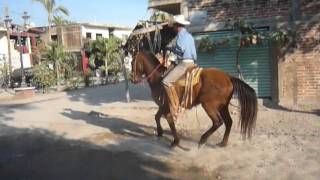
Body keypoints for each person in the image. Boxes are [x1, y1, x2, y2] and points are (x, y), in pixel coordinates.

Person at [163, 14, 197, 119]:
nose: (173, 28)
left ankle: (175, 105)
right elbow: (195, 54)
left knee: (166, 81)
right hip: (193, 63)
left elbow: (181, 49)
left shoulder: (180, 35)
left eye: (173, 26)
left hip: (184, 64)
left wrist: (172, 48)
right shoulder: (190, 36)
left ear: (177, 26)